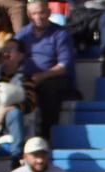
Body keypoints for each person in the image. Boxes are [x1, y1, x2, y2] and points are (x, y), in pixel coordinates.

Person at [16, 0, 74, 138]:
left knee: (49, 89)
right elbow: (13, 54)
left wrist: (42, 76)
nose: (38, 16)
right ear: (29, 15)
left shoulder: (60, 34)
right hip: (27, 78)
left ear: (48, 12)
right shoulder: (22, 35)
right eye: (34, 13)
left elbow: (64, 65)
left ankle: (47, 136)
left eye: (42, 12)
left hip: (54, 78)